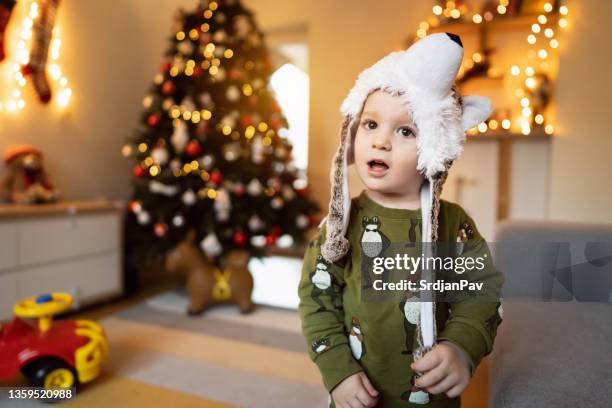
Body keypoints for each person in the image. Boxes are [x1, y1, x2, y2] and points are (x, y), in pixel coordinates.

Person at [298, 33, 505, 408]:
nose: (380, 142)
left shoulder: (453, 224)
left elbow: (482, 292)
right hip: (357, 396)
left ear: (433, 150)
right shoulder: (340, 226)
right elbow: (316, 299)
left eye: (405, 131)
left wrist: (462, 346)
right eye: (370, 124)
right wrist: (338, 371)